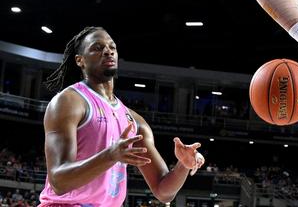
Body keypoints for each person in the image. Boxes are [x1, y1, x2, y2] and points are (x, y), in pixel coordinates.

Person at [38, 26, 205, 207]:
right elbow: (59, 181)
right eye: (97, 48)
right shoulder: (69, 101)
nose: (108, 51)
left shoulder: (134, 121)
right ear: (80, 60)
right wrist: (110, 155)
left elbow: (164, 192)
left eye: (112, 47)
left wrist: (183, 165)